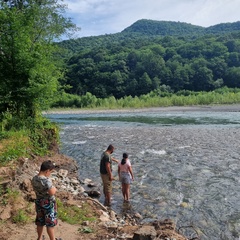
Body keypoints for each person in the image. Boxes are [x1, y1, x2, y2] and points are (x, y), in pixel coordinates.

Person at [31, 160, 61, 240]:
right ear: (47, 171)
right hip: (48, 203)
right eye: (50, 172)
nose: (50, 174)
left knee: (40, 222)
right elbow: (52, 192)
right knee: (50, 223)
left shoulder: (34, 179)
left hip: (39, 202)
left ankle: (39, 238)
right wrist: (54, 188)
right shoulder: (46, 181)